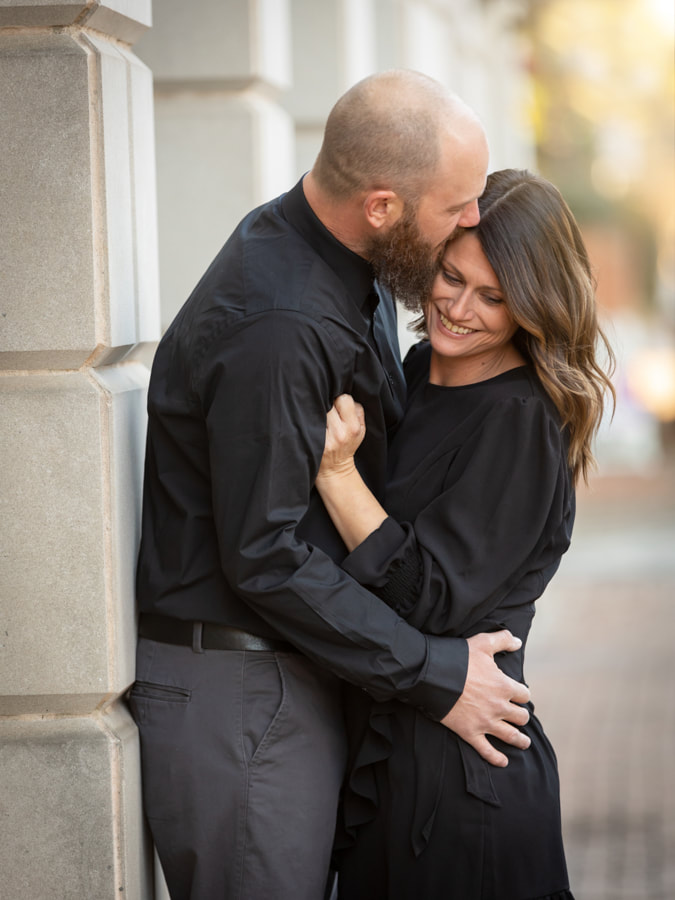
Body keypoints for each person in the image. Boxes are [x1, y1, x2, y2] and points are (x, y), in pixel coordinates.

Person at [128, 71, 532, 900]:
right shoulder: (281, 326)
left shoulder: (347, 262)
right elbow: (265, 555)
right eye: (456, 204)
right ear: (381, 206)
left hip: (286, 676)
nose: (472, 219)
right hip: (244, 697)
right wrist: (432, 671)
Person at [315, 168, 616, 899]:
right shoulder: (417, 369)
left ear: (533, 306)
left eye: (493, 296)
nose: (456, 308)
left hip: (463, 783)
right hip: (396, 752)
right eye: (450, 276)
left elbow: (429, 600)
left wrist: (336, 475)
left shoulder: (518, 420)